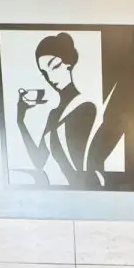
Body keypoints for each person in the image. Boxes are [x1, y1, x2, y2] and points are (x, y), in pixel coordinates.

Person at [16, 32, 98, 188]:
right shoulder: (54, 114)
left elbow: (81, 163)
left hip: (89, 190)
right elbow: (39, 160)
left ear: (69, 63)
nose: (50, 77)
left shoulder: (86, 107)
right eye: (44, 73)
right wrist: (20, 121)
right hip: (69, 193)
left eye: (55, 66)